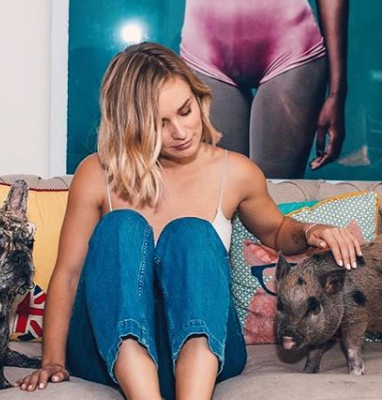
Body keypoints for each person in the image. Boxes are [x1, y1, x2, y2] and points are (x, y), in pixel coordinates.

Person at [18, 42, 361, 400]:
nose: (181, 132)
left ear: (199, 99)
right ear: (132, 126)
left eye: (185, 111)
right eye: (159, 124)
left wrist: (313, 230)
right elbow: (68, 274)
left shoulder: (236, 172)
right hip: (108, 351)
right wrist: (52, 360)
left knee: (192, 231)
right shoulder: (97, 173)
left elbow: (276, 231)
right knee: (122, 226)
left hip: (204, 350)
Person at [179, 0, 349, 179]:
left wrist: (337, 93)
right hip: (204, 50)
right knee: (223, 189)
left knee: (276, 190)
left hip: (289, 45)